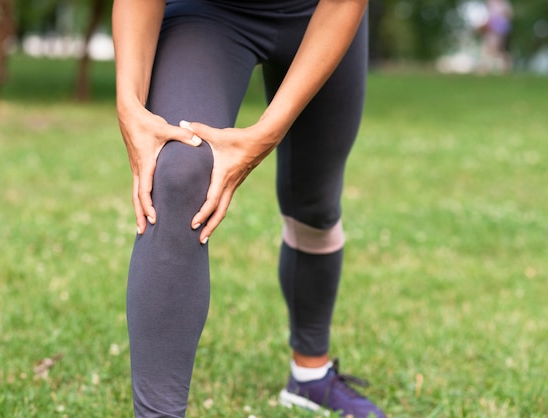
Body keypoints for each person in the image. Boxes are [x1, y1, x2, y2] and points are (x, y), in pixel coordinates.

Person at [112, 0, 386, 417]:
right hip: (209, 13)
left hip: (321, 12)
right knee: (179, 171)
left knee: (313, 204)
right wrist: (129, 105)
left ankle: (310, 376)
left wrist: (266, 133)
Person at [478, 0, 513, 73]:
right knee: (490, 48)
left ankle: (502, 67)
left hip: (499, 29)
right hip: (492, 29)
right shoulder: (491, 3)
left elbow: (507, 16)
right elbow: (489, 16)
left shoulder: (504, 4)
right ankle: (485, 68)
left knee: (497, 49)